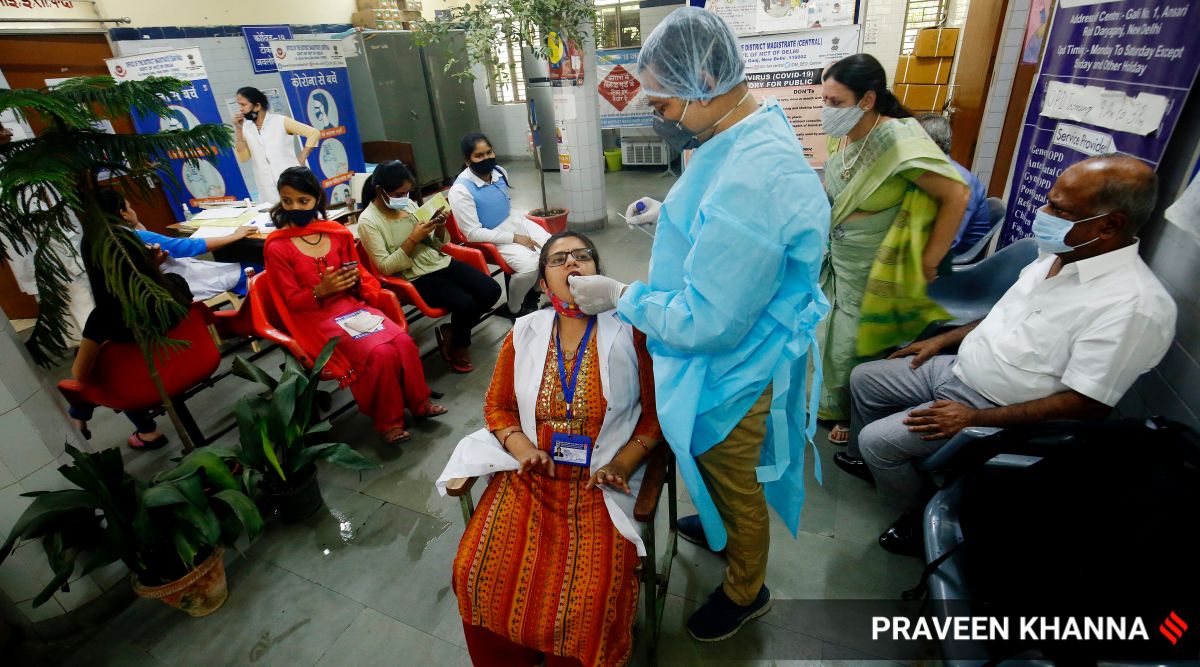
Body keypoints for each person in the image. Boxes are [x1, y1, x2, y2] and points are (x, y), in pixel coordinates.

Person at [568, 7, 830, 641]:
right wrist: (672, 221)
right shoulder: (741, 132)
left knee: (730, 472)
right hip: (716, 344)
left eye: (661, 102)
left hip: (734, 364)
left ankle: (747, 588)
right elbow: (728, 242)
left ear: (707, 77)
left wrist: (621, 294)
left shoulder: (752, 177)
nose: (657, 114)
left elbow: (709, 320)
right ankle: (711, 524)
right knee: (702, 459)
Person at [841, 155, 1176, 556]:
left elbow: (1087, 405)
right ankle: (879, 467)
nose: (1043, 213)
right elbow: (1003, 314)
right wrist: (942, 341)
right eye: (1049, 201)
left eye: (1060, 209)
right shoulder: (1059, 256)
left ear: (1109, 225)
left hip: (993, 407)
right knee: (866, 378)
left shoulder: (1132, 306)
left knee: (878, 440)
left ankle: (916, 514)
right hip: (960, 369)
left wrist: (973, 418)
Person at [438, 231, 662, 667]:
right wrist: (522, 449)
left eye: (583, 256)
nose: (573, 264)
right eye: (559, 260)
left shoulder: (633, 331)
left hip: (597, 485)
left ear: (599, 271)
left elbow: (655, 416)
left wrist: (622, 463)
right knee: (477, 571)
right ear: (543, 283)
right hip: (531, 479)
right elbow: (497, 406)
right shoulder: (525, 332)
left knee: (586, 598)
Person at [817, 54, 969, 445]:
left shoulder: (898, 139)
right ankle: (835, 402)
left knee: (861, 340)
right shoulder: (845, 134)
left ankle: (857, 413)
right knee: (834, 333)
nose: (826, 110)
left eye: (835, 102)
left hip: (877, 259)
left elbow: (956, 194)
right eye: (825, 99)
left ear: (867, 100)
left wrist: (931, 259)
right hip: (842, 256)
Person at [262, 167, 446, 443]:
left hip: (352, 307)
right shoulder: (277, 247)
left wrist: (354, 283)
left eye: (303, 201)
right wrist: (320, 291)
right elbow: (290, 302)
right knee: (381, 353)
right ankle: (389, 422)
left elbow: (360, 276)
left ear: (317, 199)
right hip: (316, 318)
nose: (295, 207)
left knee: (403, 343)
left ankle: (420, 405)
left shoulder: (336, 233)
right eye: (288, 201)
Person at [357, 160, 501, 373]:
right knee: (466, 304)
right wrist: (413, 239)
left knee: (491, 290)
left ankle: (452, 331)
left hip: (437, 260)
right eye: (398, 194)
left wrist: (439, 226)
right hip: (412, 276)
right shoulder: (368, 222)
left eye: (406, 193)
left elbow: (437, 244)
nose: (404, 199)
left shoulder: (408, 204)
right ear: (380, 191)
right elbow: (385, 268)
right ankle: (459, 345)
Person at [70, 215, 195, 449]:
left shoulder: (103, 317)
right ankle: (80, 415)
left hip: (143, 388)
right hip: (192, 366)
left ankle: (146, 432)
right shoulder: (176, 285)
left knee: (94, 364)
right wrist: (153, 270)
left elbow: (78, 375)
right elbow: (152, 298)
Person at [448, 132, 552, 319]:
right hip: (490, 235)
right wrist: (515, 238)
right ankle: (513, 309)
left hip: (513, 222)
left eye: (489, 152)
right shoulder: (460, 190)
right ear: (467, 160)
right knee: (530, 265)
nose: (486, 158)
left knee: (551, 250)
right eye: (479, 155)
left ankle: (533, 297)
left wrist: (520, 230)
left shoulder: (499, 172)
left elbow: (505, 206)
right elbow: (471, 234)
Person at [96, 187, 260, 300]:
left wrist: (135, 223)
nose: (133, 211)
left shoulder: (108, 239)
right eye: (129, 208)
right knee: (256, 269)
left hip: (178, 278)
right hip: (187, 282)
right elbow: (187, 248)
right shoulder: (135, 236)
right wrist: (235, 235)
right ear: (123, 214)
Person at [917, 114, 993, 255]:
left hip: (956, 258)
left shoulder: (959, 180)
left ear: (936, 144)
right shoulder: (930, 170)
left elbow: (949, 241)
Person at [234, 87, 321, 204]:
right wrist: (239, 129)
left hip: (290, 179)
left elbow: (313, 133)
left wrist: (301, 159)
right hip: (266, 186)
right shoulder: (246, 127)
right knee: (274, 217)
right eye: (239, 105)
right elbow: (243, 158)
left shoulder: (280, 121)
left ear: (257, 106)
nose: (241, 109)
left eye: (243, 105)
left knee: (296, 210)